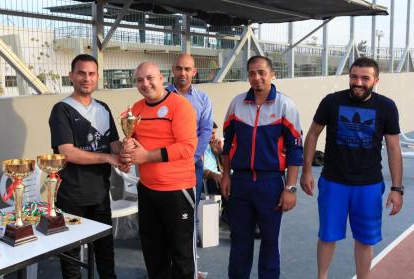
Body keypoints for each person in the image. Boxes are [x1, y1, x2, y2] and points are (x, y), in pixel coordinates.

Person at [300, 57, 403, 279]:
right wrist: (306, 170)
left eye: (365, 78)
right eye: (354, 76)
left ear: (376, 80)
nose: (358, 82)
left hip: (369, 185)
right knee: (327, 236)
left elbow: (394, 148)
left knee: (365, 240)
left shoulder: (386, 106)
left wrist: (397, 188)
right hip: (333, 182)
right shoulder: (331, 101)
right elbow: (312, 134)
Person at [220, 55, 303, 279]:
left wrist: (291, 188)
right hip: (241, 183)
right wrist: (226, 175)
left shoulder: (285, 105)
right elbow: (227, 144)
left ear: (272, 74)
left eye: (262, 72)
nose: (257, 78)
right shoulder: (237, 104)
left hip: (271, 184)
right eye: (252, 73)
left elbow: (296, 150)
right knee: (239, 242)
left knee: (269, 241)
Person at [121, 62, 198, 279]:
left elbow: (186, 147)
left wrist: (146, 156)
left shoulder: (180, 106)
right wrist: (127, 152)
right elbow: (132, 140)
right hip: (147, 189)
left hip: (177, 190)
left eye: (149, 78)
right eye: (139, 80)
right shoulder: (135, 110)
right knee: (153, 252)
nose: (145, 84)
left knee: (181, 254)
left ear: (162, 78)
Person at [48, 54, 121, 279]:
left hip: (100, 193)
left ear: (98, 77)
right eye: (81, 73)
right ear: (71, 76)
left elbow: (115, 145)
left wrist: (128, 150)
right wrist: (107, 158)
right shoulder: (61, 109)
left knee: (105, 252)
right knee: (72, 256)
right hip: (72, 195)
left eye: (91, 74)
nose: (86, 78)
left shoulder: (104, 108)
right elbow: (66, 152)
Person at [166, 54, 213, 206]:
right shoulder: (162, 96)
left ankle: (192, 231)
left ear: (194, 71)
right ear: (173, 70)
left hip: (192, 164)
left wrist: (191, 158)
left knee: (190, 208)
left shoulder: (203, 98)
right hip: (166, 163)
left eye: (187, 69)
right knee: (168, 208)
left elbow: (206, 131)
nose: (183, 73)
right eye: (179, 68)